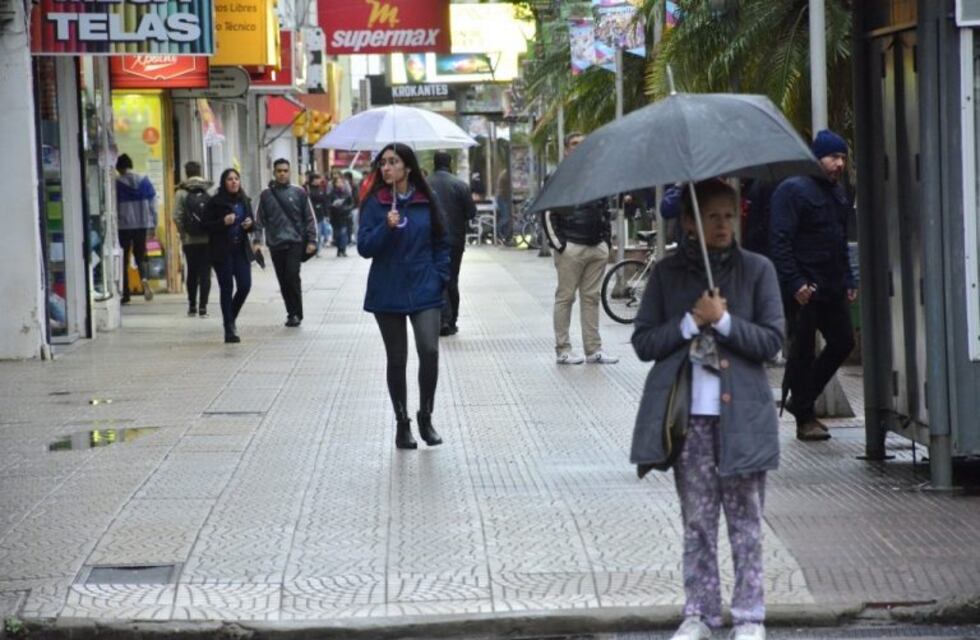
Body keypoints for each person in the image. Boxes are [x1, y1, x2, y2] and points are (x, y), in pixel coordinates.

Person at [631, 179, 784, 640]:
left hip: (744, 420)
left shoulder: (758, 270)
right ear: (690, 222)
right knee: (697, 522)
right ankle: (699, 611)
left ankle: (750, 615)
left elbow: (773, 342)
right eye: (712, 216)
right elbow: (644, 342)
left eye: (729, 215)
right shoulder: (666, 274)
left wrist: (725, 321)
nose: (723, 225)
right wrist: (691, 321)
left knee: (745, 522)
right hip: (689, 420)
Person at [357, 143, 451, 450]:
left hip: (425, 285)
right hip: (388, 287)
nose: (386, 168)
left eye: (393, 162)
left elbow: (442, 240)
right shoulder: (375, 203)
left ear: (407, 167)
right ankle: (402, 424)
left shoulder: (427, 199)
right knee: (397, 358)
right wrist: (386, 226)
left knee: (430, 351)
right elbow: (365, 248)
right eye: (382, 163)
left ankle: (426, 416)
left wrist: (440, 276)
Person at [769, 129, 857, 442]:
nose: (839, 164)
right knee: (802, 353)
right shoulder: (792, 191)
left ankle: (801, 400)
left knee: (843, 341)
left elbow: (839, 240)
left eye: (843, 158)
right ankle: (805, 417)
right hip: (804, 290)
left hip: (831, 285)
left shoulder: (837, 194)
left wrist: (848, 278)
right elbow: (780, 242)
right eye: (834, 157)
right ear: (817, 158)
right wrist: (795, 283)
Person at [543, 132, 618, 364]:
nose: (579, 148)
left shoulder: (597, 175)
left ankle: (593, 350)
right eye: (575, 144)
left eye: (583, 145)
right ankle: (563, 350)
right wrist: (560, 245)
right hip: (571, 248)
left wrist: (606, 241)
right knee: (565, 298)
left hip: (596, 248)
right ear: (566, 150)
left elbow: (605, 209)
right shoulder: (558, 177)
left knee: (591, 298)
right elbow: (547, 213)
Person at [253, 158, 317, 327]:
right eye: (279, 171)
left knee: (292, 275)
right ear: (274, 173)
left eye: (285, 171)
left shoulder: (299, 192)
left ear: (290, 172)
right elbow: (259, 220)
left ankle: (297, 313)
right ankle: (291, 313)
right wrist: (257, 241)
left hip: (295, 242)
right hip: (275, 244)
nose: (282, 174)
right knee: (283, 280)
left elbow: (309, 217)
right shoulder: (266, 194)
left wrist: (312, 240)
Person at [427, 150, 476, 336]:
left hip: (431, 239)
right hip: (455, 240)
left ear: (434, 163)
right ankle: (451, 319)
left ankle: (442, 319)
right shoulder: (460, 185)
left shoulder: (424, 184)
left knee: (437, 278)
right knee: (452, 278)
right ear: (450, 164)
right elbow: (471, 213)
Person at [202, 168, 255, 344]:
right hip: (222, 251)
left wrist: (250, 224)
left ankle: (230, 317)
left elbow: (252, 223)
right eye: (230, 179)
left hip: (241, 250)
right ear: (224, 182)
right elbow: (205, 226)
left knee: (245, 285)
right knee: (227, 288)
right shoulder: (215, 202)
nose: (234, 182)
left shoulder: (244, 200)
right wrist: (222, 222)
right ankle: (229, 328)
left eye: (236, 179)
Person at [115, 153, 157, 303]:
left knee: (123, 259)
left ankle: (125, 294)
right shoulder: (144, 181)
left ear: (119, 168)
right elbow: (153, 204)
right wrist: (154, 224)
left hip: (123, 226)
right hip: (142, 224)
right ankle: (144, 279)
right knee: (140, 256)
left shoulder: (117, 183)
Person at [173, 161, 213, 317]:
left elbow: (177, 216)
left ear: (186, 173)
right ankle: (203, 308)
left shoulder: (181, 192)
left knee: (192, 272)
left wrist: (184, 233)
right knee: (205, 273)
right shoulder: (209, 190)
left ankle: (192, 306)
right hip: (207, 239)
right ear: (200, 171)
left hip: (190, 241)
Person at [328, 174, 354, 257]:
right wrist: (333, 206)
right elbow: (328, 204)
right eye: (337, 182)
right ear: (334, 184)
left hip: (344, 216)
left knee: (344, 233)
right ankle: (339, 249)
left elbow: (352, 203)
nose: (339, 184)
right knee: (337, 234)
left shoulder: (347, 193)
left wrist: (347, 208)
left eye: (341, 182)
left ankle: (343, 250)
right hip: (335, 217)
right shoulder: (332, 193)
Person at [308, 173, 332, 254]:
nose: (319, 180)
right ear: (313, 180)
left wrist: (327, 214)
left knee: (320, 232)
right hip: (312, 214)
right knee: (316, 232)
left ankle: (318, 248)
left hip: (321, 214)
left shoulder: (321, 189)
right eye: (317, 179)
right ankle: (316, 249)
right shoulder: (308, 189)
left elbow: (325, 202)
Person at [495, 168, 512, 243]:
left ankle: (504, 235)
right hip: (502, 197)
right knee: (505, 217)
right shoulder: (506, 174)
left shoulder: (505, 173)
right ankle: (497, 233)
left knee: (506, 217)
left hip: (504, 197)